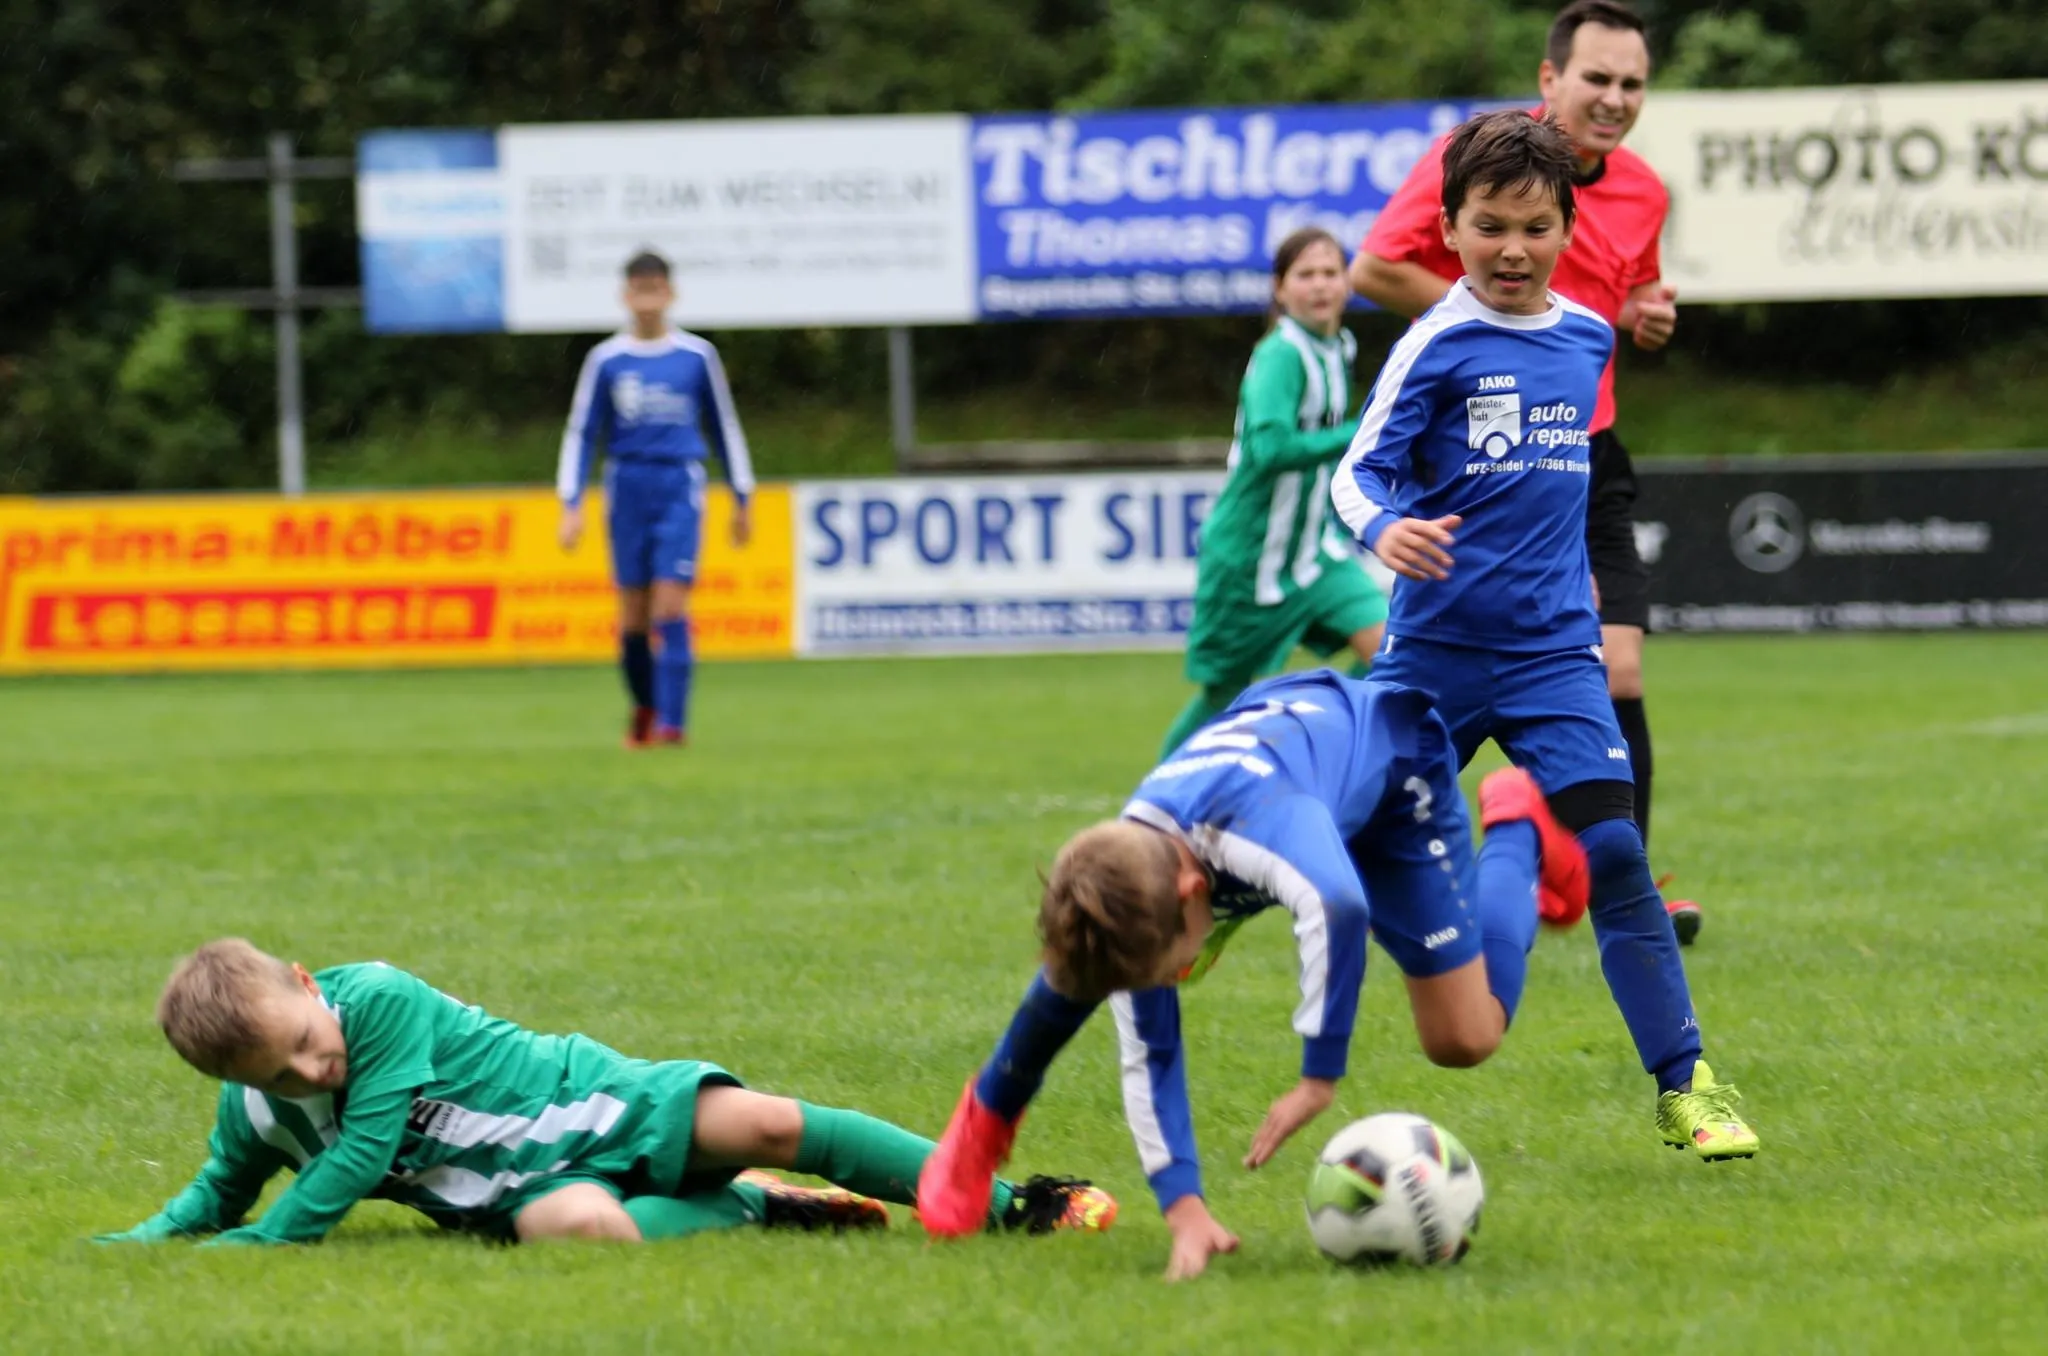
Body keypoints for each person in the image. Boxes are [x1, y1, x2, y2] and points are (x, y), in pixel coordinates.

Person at [1330, 110, 1757, 1162]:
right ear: (1449, 229)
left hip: (1554, 653)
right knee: (1343, 843)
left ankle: (1687, 1086)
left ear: (1567, 227)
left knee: (1614, 850)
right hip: (1432, 655)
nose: (1511, 249)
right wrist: (1386, 528)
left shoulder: (1586, 339)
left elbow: (1572, 475)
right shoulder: (1432, 343)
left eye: (1533, 227)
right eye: (1488, 228)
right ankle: (1227, 895)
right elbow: (1356, 474)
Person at [917, 667, 1592, 1280]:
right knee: (1089, 959)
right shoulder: (1129, 864)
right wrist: (1183, 1208)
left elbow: (1336, 905)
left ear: (1192, 890)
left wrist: (1317, 1078)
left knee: (1465, 1037)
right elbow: (1150, 1052)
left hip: (1395, 775)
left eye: (1171, 961)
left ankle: (1517, 828)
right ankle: (981, 1128)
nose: (1172, 974)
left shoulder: (1256, 832)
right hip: (1292, 766)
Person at [1350, 0, 1700, 942]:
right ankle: (1480, 852)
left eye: (1632, 83)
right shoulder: (1477, 158)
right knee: (1414, 748)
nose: (1615, 98)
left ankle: (1621, 878)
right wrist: (1495, 338)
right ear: (1551, 78)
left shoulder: (1643, 190)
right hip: (1485, 449)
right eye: (1597, 78)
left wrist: (1646, 317)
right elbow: (1376, 268)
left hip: (1587, 449)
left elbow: (1626, 298)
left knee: (1620, 666)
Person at [94, 939, 1115, 1246]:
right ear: (232, 1082)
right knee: (588, 1233)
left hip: (591, 1097)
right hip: (519, 1193)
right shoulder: (256, 1108)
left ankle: (1006, 1204)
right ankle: (759, 1207)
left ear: (309, 986)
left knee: (769, 1121)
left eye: (306, 1047)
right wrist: (150, 1241)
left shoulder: (376, 1002)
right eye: (275, 1077)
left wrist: (271, 1241)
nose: (310, 1075)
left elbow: (362, 1153)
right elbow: (217, 1191)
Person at [1159, 227, 1389, 759]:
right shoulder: (1281, 354)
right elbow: (1269, 448)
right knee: (1222, 696)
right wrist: (1358, 432)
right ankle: (1153, 800)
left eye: (1330, 272)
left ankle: (1325, 745)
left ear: (1348, 283)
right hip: (1251, 557)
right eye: (1305, 274)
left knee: (1395, 653)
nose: (1320, 285)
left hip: (1314, 553)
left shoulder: (1340, 346)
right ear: (1280, 289)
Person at [556, 251, 756, 750]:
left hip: (678, 483)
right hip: (627, 486)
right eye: (639, 291)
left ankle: (673, 723)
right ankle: (646, 707)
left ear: (670, 293)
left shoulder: (696, 357)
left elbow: (725, 426)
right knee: (633, 614)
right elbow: (583, 432)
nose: (647, 301)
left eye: (655, 290)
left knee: (670, 601)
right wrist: (571, 502)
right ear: (626, 296)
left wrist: (742, 495)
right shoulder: (607, 360)